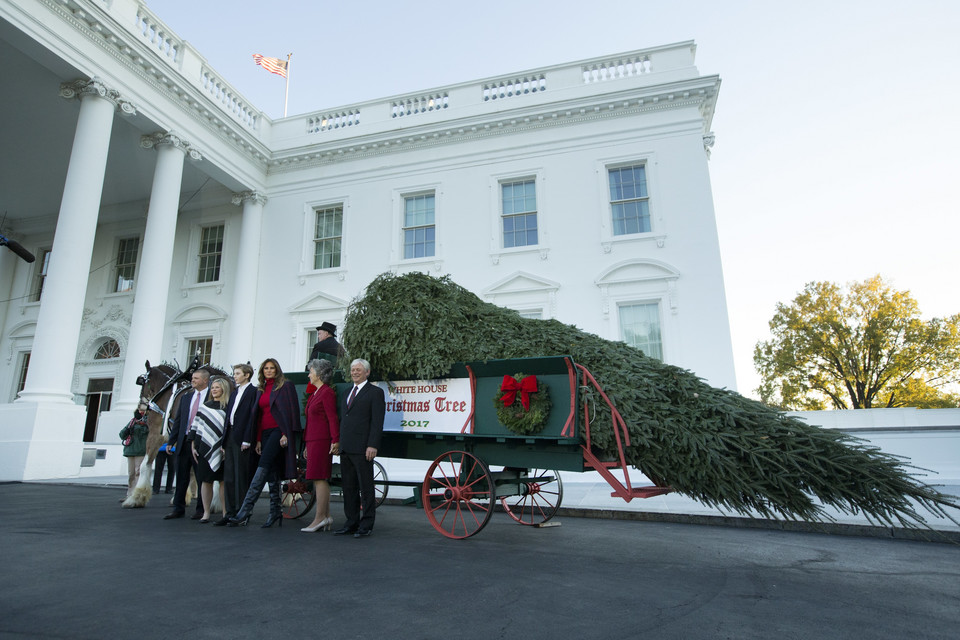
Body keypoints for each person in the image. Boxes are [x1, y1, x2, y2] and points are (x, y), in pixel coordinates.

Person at [229, 358, 301, 527]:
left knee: (263, 466)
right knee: (272, 471)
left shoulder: (286, 386)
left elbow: (292, 411)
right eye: (266, 368)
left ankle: (245, 510)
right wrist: (259, 439)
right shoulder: (260, 389)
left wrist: (286, 433)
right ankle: (275, 511)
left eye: (272, 368)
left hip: (279, 431)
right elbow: (258, 417)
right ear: (262, 371)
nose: (269, 371)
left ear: (277, 370)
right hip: (265, 433)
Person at [333, 358, 385, 538]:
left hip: (363, 448)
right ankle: (351, 522)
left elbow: (377, 422)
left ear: (367, 372)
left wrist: (372, 445)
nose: (354, 372)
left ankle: (366, 524)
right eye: (353, 370)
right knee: (349, 488)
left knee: (366, 488)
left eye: (358, 370)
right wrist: (339, 442)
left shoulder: (375, 393)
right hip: (346, 447)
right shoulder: (347, 392)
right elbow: (344, 420)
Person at [300, 359, 340, 532]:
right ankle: (326, 516)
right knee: (317, 478)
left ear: (319, 373)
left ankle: (320, 518)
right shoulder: (316, 393)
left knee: (320, 478)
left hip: (322, 440)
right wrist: (307, 445)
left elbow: (332, 418)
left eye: (311, 371)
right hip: (313, 440)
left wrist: (335, 440)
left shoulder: (327, 392)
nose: (309, 374)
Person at [164, 369, 209, 520]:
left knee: (201, 476)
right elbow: (179, 420)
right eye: (192, 378)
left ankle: (201, 510)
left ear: (205, 380)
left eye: (196, 378)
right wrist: (172, 441)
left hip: (201, 442)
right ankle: (178, 508)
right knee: (181, 476)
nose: (193, 380)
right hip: (183, 442)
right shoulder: (186, 397)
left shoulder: (212, 396)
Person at [216, 363, 257, 526]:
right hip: (231, 435)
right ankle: (230, 512)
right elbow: (228, 417)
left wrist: (247, 439)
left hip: (243, 438)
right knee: (229, 476)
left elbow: (251, 417)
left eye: (238, 373)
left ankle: (242, 513)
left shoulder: (253, 392)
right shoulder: (234, 393)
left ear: (247, 375)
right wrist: (224, 441)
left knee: (241, 476)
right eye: (234, 373)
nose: (234, 376)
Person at [191, 376, 229, 523]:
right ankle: (206, 512)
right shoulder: (204, 406)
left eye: (217, 387)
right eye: (212, 387)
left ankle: (225, 512)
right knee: (205, 481)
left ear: (223, 389)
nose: (214, 390)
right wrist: (193, 445)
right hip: (204, 448)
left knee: (223, 482)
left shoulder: (228, 407)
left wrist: (225, 446)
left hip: (222, 450)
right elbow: (195, 427)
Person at [119, 403, 149, 502]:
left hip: (141, 450)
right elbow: (122, 434)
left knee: (137, 472)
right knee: (131, 473)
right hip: (130, 449)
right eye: (140, 410)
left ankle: (136, 495)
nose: (141, 412)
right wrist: (128, 429)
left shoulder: (148, 423)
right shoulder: (132, 422)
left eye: (143, 411)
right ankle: (129, 494)